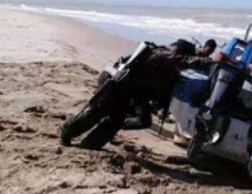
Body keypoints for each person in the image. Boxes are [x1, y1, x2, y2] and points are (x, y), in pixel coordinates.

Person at [60, 40, 217, 150]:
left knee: (114, 120)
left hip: (123, 88)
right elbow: (186, 60)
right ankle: (66, 132)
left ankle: (89, 145)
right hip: (115, 85)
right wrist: (213, 61)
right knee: (99, 113)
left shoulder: (163, 55)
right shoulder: (163, 55)